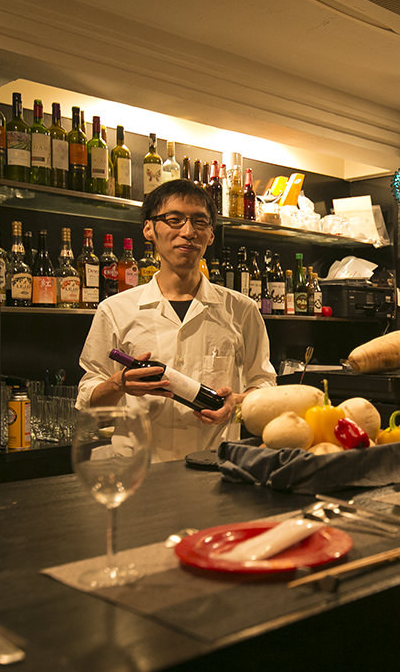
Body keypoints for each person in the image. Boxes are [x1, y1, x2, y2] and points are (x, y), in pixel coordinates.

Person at [76, 178, 275, 462]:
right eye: (174, 220)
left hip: (213, 468)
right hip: (139, 471)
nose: (188, 232)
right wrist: (119, 384)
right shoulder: (115, 310)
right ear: (149, 228)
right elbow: (88, 399)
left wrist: (236, 403)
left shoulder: (242, 310)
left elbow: (264, 384)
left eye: (200, 222)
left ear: (211, 235)